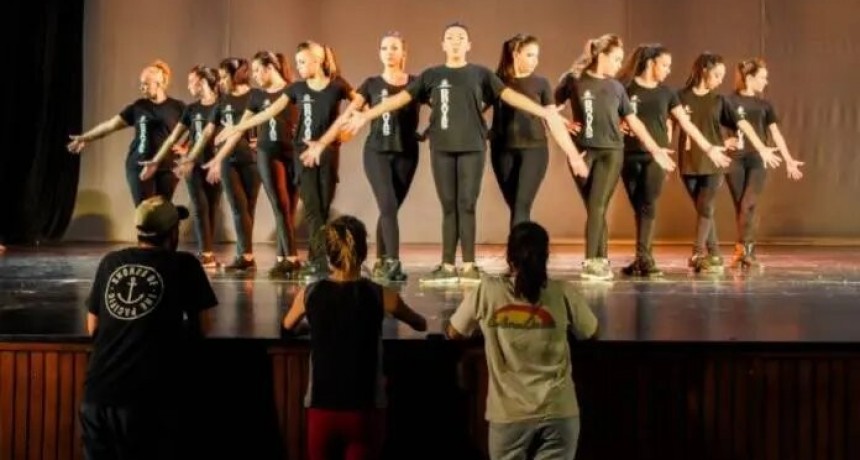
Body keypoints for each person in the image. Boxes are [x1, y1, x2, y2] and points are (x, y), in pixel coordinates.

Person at [343, 22, 588, 285]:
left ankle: (469, 265)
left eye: (461, 38)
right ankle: (448, 265)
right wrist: (366, 115)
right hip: (442, 149)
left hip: (473, 148)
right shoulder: (431, 75)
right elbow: (398, 99)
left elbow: (510, 97)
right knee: (449, 207)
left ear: (469, 44)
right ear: (443, 44)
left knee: (467, 205)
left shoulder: (481, 74)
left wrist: (544, 112)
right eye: (450, 37)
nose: (456, 41)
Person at [80, 195, 218, 460]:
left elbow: (92, 327)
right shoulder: (184, 264)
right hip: (147, 399)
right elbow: (204, 327)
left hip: (97, 395)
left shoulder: (111, 262)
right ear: (173, 233)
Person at [445, 221, 598, 460]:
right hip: (559, 412)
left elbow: (454, 332)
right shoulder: (562, 292)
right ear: (546, 257)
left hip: (509, 417)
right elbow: (592, 332)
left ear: (510, 258)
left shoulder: (488, 291)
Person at [282, 215, 427, 460]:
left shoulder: (310, 293)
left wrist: (310, 327)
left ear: (329, 255)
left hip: (322, 407)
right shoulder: (380, 294)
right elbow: (419, 324)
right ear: (363, 253)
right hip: (365, 410)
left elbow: (286, 328)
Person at [216, 42, 358, 280]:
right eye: (298, 62)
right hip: (302, 153)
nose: (298, 66)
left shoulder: (338, 85)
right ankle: (316, 260)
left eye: (302, 62)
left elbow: (360, 103)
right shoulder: (297, 89)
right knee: (312, 208)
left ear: (317, 61)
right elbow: (268, 112)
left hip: (329, 153)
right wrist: (238, 127)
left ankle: (317, 257)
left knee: (323, 208)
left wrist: (348, 130)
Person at [554, 34, 676, 281]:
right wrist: (565, 124)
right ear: (601, 56)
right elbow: (549, 112)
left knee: (598, 205)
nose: (620, 65)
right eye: (616, 59)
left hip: (611, 152)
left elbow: (634, 122)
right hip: (583, 152)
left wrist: (655, 149)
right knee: (593, 208)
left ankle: (592, 261)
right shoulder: (574, 80)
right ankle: (601, 258)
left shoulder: (617, 88)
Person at [615, 44, 731, 277]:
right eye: (665, 65)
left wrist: (709, 147)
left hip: (658, 157)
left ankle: (645, 258)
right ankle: (642, 257)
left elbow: (687, 124)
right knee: (639, 207)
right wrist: (618, 125)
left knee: (648, 205)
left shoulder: (667, 93)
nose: (669, 70)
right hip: (628, 155)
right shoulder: (625, 88)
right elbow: (611, 114)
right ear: (651, 64)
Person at [676, 52, 780, 273]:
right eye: (717, 75)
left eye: (723, 76)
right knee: (703, 210)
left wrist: (761, 147)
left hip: (715, 161)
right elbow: (668, 123)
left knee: (706, 206)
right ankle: (714, 253)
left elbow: (743, 125)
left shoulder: (719, 101)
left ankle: (698, 253)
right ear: (704, 70)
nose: (720, 80)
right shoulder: (680, 97)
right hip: (690, 161)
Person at [67, 60, 186, 205]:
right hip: (139, 165)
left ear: (159, 84)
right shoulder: (138, 107)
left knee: (164, 213)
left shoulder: (178, 107)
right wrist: (85, 137)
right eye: (141, 84)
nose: (141, 88)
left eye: (146, 84)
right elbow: (110, 125)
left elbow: (196, 130)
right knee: (145, 213)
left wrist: (186, 148)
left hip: (167, 168)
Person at [724, 58, 804, 268]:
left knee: (749, 203)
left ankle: (744, 249)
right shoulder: (728, 101)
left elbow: (776, 134)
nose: (766, 82)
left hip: (759, 159)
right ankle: (744, 251)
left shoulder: (764, 105)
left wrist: (788, 159)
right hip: (735, 159)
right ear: (749, 78)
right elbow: (714, 127)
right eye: (762, 78)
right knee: (741, 207)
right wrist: (722, 143)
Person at [141, 65, 223, 268]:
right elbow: (173, 138)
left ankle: (209, 252)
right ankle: (206, 253)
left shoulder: (222, 105)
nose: (188, 86)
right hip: (193, 164)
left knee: (212, 207)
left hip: (217, 164)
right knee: (200, 207)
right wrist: (156, 160)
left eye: (191, 82)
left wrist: (221, 161)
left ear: (202, 82)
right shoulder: (192, 109)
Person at [184, 58, 261, 272]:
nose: (221, 81)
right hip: (228, 160)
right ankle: (245, 255)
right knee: (238, 207)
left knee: (249, 208)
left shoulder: (256, 96)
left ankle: (246, 254)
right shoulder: (223, 101)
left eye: (225, 76)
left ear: (237, 75)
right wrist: (191, 157)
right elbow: (208, 131)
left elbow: (269, 118)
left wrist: (262, 138)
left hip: (252, 160)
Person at [490, 33, 553, 227]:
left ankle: (517, 246)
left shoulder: (542, 83)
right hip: (502, 150)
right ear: (516, 54)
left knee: (521, 206)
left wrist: (571, 147)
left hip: (534, 149)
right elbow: (475, 108)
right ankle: (522, 243)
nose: (535, 61)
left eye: (536, 56)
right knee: (515, 206)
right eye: (530, 55)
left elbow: (550, 115)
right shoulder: (497, 81)